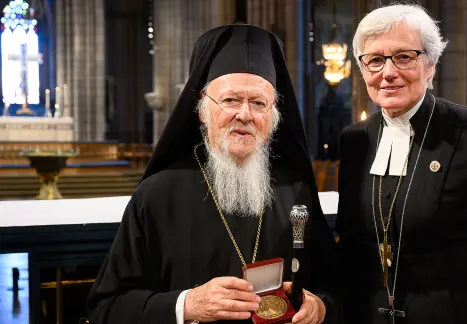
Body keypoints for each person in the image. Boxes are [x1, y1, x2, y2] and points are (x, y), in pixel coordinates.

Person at [87, 24, 338, 324]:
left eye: (259, 103)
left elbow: (336, 289)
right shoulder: (156, 195)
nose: (245, 115)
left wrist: (321, 307)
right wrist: (187, 305)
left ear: (273, 118)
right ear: (203, 111)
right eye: (231, 100)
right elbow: (107, 307)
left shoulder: (295, 192)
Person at [335, 4, 467, 324]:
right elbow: (350, 248)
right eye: (374, 60)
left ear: (430, 64)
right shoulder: (354, 140)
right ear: (362, 71)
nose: (388, 72)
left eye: (404, 57)